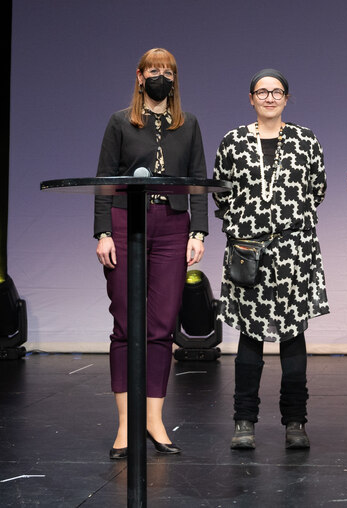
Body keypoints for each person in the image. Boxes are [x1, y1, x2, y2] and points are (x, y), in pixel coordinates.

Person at [94, 48, 208, 459]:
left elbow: (198, 178)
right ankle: (127, 423)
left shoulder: (188, 123)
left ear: (175, 79)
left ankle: (154, 421)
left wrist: (198, 231)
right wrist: (103, 231)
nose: (162, 76)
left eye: (168, 71)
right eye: (154, 70)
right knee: (126, 323)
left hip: (173, 224)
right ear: (140, 76)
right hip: (127, 222)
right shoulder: (120, 122)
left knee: (161, 325)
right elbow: (105, 178)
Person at [213, 69, 328, 450]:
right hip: (249, 251)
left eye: (277, 92)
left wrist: (286, 222)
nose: (269, 98)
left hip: (294, 251)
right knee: (249, 338)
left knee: (293, 338)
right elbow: (221, 192)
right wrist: (248, 225)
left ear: (286, 98)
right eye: (262, 92)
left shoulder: (305, 140)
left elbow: (317, 189)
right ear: (251, 98)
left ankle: (295, 422)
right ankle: (244, 421)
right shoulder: (232, 141)